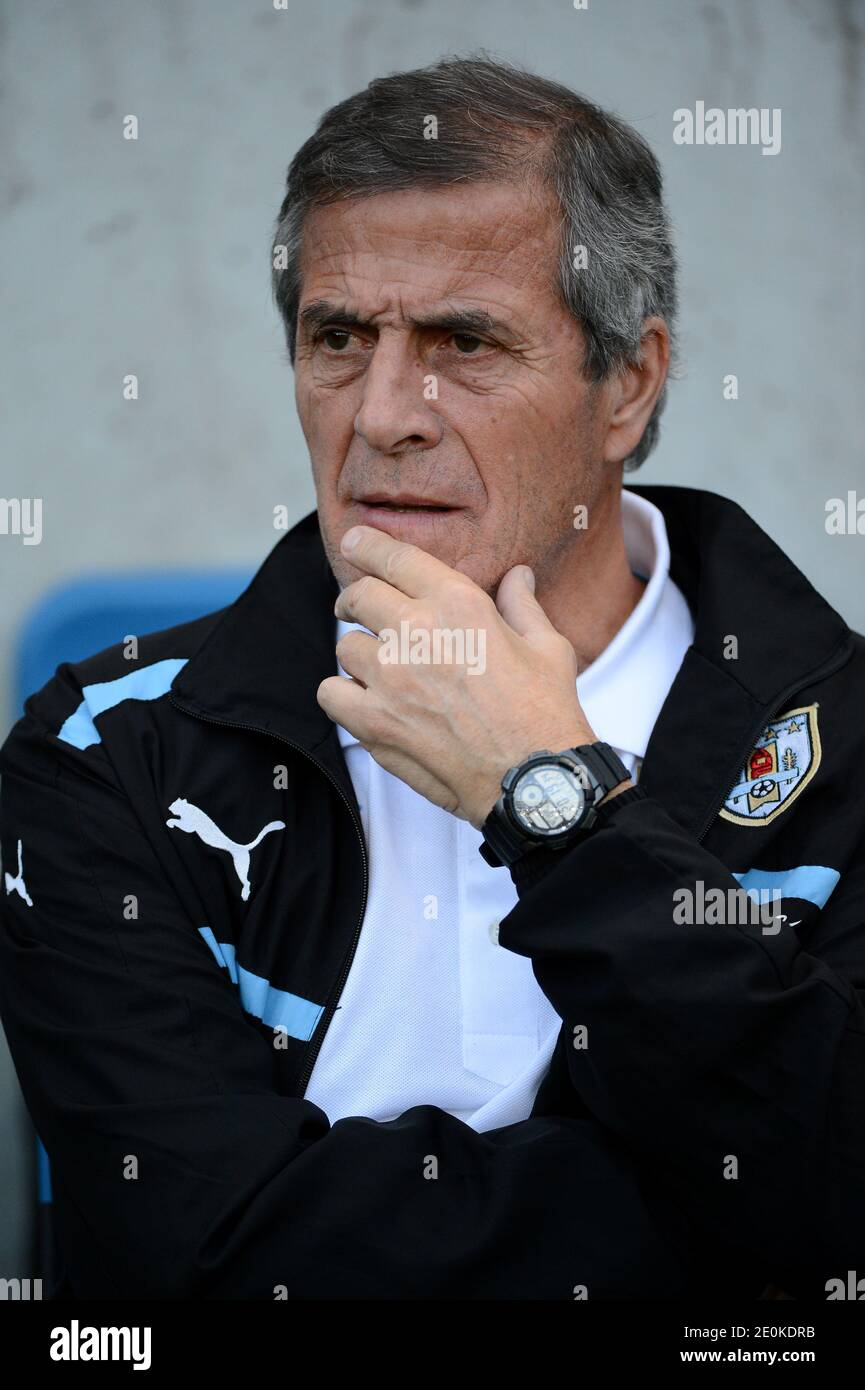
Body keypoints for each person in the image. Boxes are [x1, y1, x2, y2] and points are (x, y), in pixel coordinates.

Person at [1, 55, 863, 1300]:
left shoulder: (838, 745)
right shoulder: (108, 748)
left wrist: (548, 799)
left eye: (464, 340)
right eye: (339, 338)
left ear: (627, 381)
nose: (385, 412)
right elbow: (207, 1265)